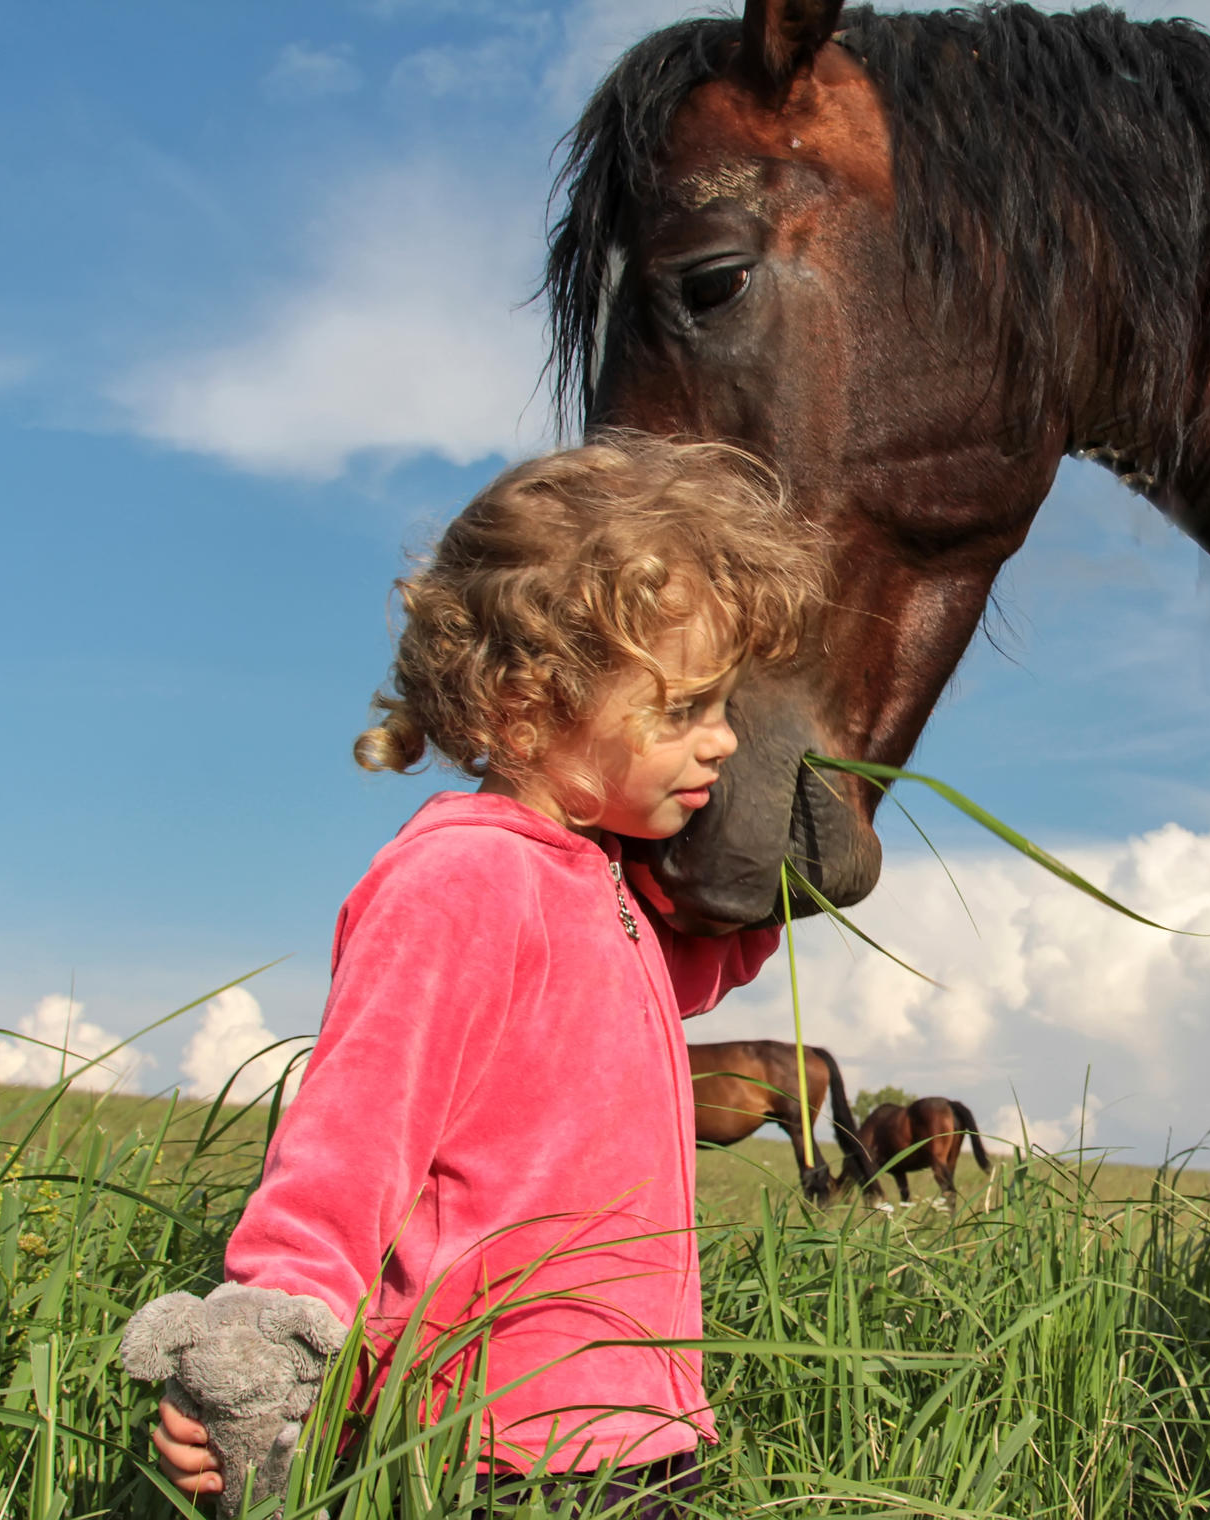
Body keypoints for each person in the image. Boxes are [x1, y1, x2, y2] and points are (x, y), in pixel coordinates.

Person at [142, 432, 822, 1514]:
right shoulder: (462, 878)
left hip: (642, 1417)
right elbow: (351, 1137)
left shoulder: (596, 876)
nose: (725, 740)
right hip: (499, 1443)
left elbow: (648, 997)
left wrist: (785, 890)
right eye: (686, 708)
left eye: (722, 706)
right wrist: (268, 1344)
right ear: (529, 698)